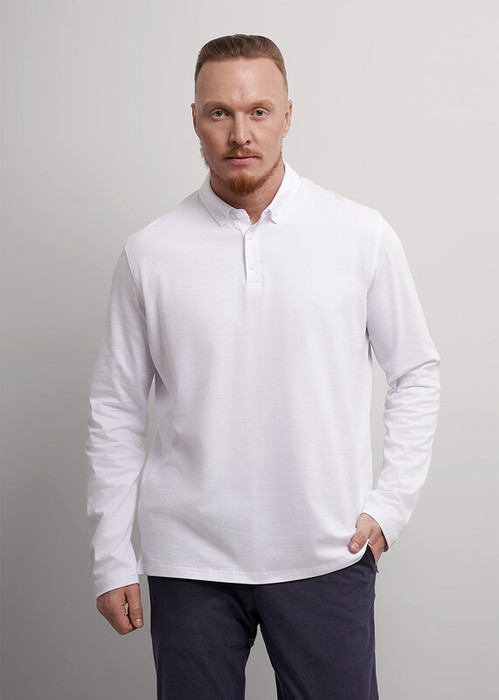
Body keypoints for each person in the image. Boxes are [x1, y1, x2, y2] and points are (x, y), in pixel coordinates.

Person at [86, 34, 440, 700]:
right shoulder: (150, 254)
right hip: (190, 560)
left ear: (287, 116)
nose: (239, 133)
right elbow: (117, 409)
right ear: (195, 118)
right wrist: (111, 557)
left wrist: (388, 508)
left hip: (325, 551)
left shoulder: (359, 235)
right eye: (219, 112)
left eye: (258, 111)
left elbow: (415, 370)